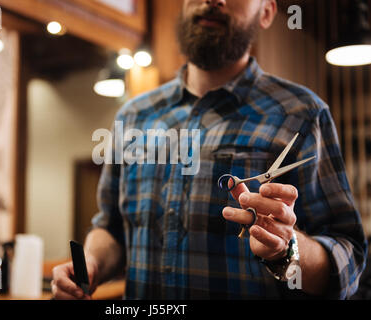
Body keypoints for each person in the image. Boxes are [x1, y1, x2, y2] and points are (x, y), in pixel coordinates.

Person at [52, 0, 367, 299]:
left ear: (267, 12)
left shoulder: (302, 114)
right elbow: (112, 228)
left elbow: (349, 260)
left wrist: (289, 248)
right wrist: (91, 264)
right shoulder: (134, 116)